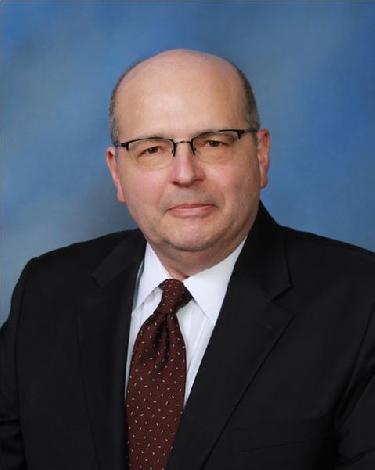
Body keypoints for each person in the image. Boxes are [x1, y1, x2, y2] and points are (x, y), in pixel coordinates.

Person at [0, 49, 374, 470]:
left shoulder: (360, 304)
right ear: (117, 173)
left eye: (213, 143)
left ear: (261, 155)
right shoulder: (46, 293)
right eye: (153, 149)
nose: (184, 173)